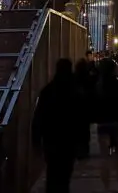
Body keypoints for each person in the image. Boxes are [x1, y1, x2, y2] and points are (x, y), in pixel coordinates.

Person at [32, 58, 83, 193]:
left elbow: (39, 117)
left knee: (52, 173)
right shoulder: (75, 91)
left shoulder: (47, 91)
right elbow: (80, 118)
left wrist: (36, 141)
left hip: (51, 140)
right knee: (65, 175)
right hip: (69, 140)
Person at [93, 57, 118, 192]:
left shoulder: (98, 86)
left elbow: (93, 106)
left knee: (104, 158)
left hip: (103, 124)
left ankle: (106, 188)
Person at [73, 57, 95, 159]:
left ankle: (77, 149)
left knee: (76, 129)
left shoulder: (73, 78)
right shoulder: (89, 78)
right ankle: (85, 150)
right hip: (86, 108)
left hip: (75, 108)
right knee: (85, 129)